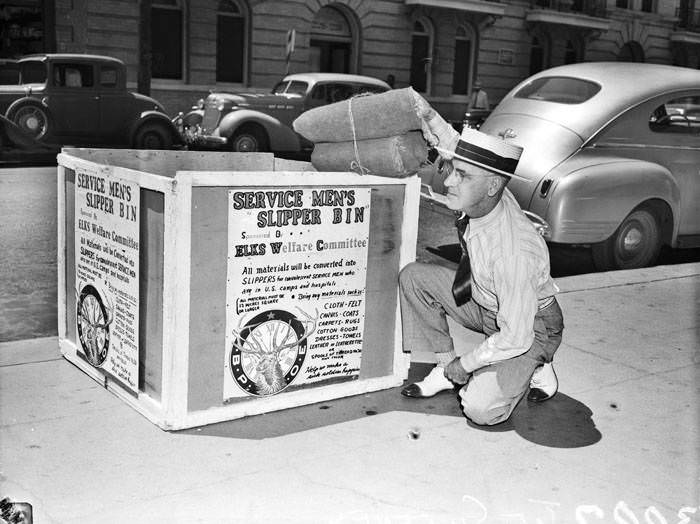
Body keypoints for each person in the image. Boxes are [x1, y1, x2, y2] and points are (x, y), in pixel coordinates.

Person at [400, 96, 564, 426]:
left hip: (529, 327)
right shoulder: (490, 192)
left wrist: (468, 363)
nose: (448, 181)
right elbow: (454, 148)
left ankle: (538, 363)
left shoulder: (512, 251)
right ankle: (445, 368)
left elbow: (515, 336)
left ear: (491, 186)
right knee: (414, 277)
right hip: (487, 302)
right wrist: (429, 116)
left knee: (480, 409)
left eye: (461, 176)